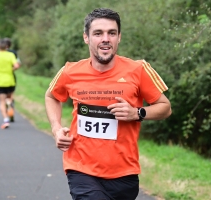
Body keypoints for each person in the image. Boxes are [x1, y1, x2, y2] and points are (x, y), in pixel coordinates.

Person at [45, 8, 172, 200]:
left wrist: (137, 113)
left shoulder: (138, 69)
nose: (106, 38)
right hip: (80, 167)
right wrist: (56, 129)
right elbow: (52, 96)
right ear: (86, 38)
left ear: (119, 37)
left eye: (111, 33)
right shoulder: (70, 71)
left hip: (124, 173)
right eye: (98, 33)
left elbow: (165, 107)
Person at [0, 39, 20, 129]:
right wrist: (11, 70)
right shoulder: (10, 55)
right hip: (10, 81)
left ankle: (6, 119)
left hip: (0, 82)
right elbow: (17, 65)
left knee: (1, 101)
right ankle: (10, 105)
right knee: (9, 98)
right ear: (6, 47)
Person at [3, 37, 21, 122]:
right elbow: (18, 64)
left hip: (1, 78)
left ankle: (7, 108)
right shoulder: (14, 53)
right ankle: (11, 109)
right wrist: (11, 70)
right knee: (11, 95)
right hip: (11, 76)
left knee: (3, 97)